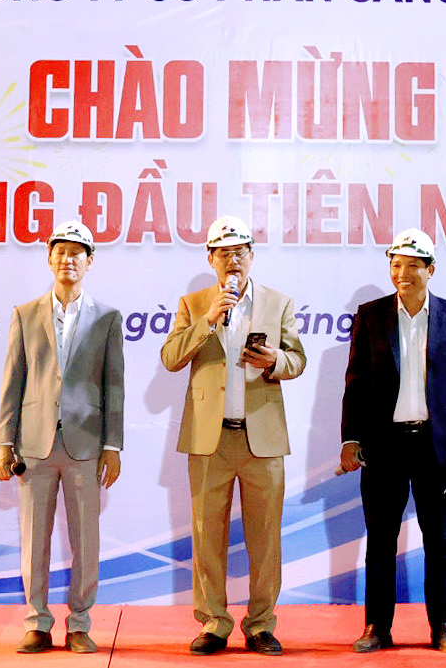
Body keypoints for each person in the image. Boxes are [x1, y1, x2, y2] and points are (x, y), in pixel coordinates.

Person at [161, 216, 305, 656]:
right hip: (210, 440)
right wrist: (208, 320)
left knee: (266, 538)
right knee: (207, 536)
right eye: (224, 253)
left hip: (262, 438)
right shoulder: (194, 304)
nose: (233, 260)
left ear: (252, 256)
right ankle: (214, 622)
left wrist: (275, 360)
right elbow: (170, 358)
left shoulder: (278, 302)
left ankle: (261, 624)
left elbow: (297, 360)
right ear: (211, 259)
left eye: (240, 251)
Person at [339, 229, 446, 654]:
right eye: (395, 264)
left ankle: (444, 625)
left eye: (412, 265)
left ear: (430, 269)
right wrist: (350, 439)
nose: (402, 273)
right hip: (384, 448)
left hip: (437, 449)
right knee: (380, 542)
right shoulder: (371, 316)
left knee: (439, 540)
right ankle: (376, 627)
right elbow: (356, 385)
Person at [0, 220, 125, 654]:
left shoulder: (107, 318)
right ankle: (37, 622)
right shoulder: (25, 314)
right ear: (49, 258)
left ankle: (80, 623)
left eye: (76, 253)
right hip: (35, 446)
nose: (68, 259)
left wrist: (112, 446)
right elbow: (13, 381)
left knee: (86, 541)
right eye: (61, 252)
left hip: (86, 446)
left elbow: (114, 386)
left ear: (90, 261)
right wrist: (4, 444)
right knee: (34, 541)